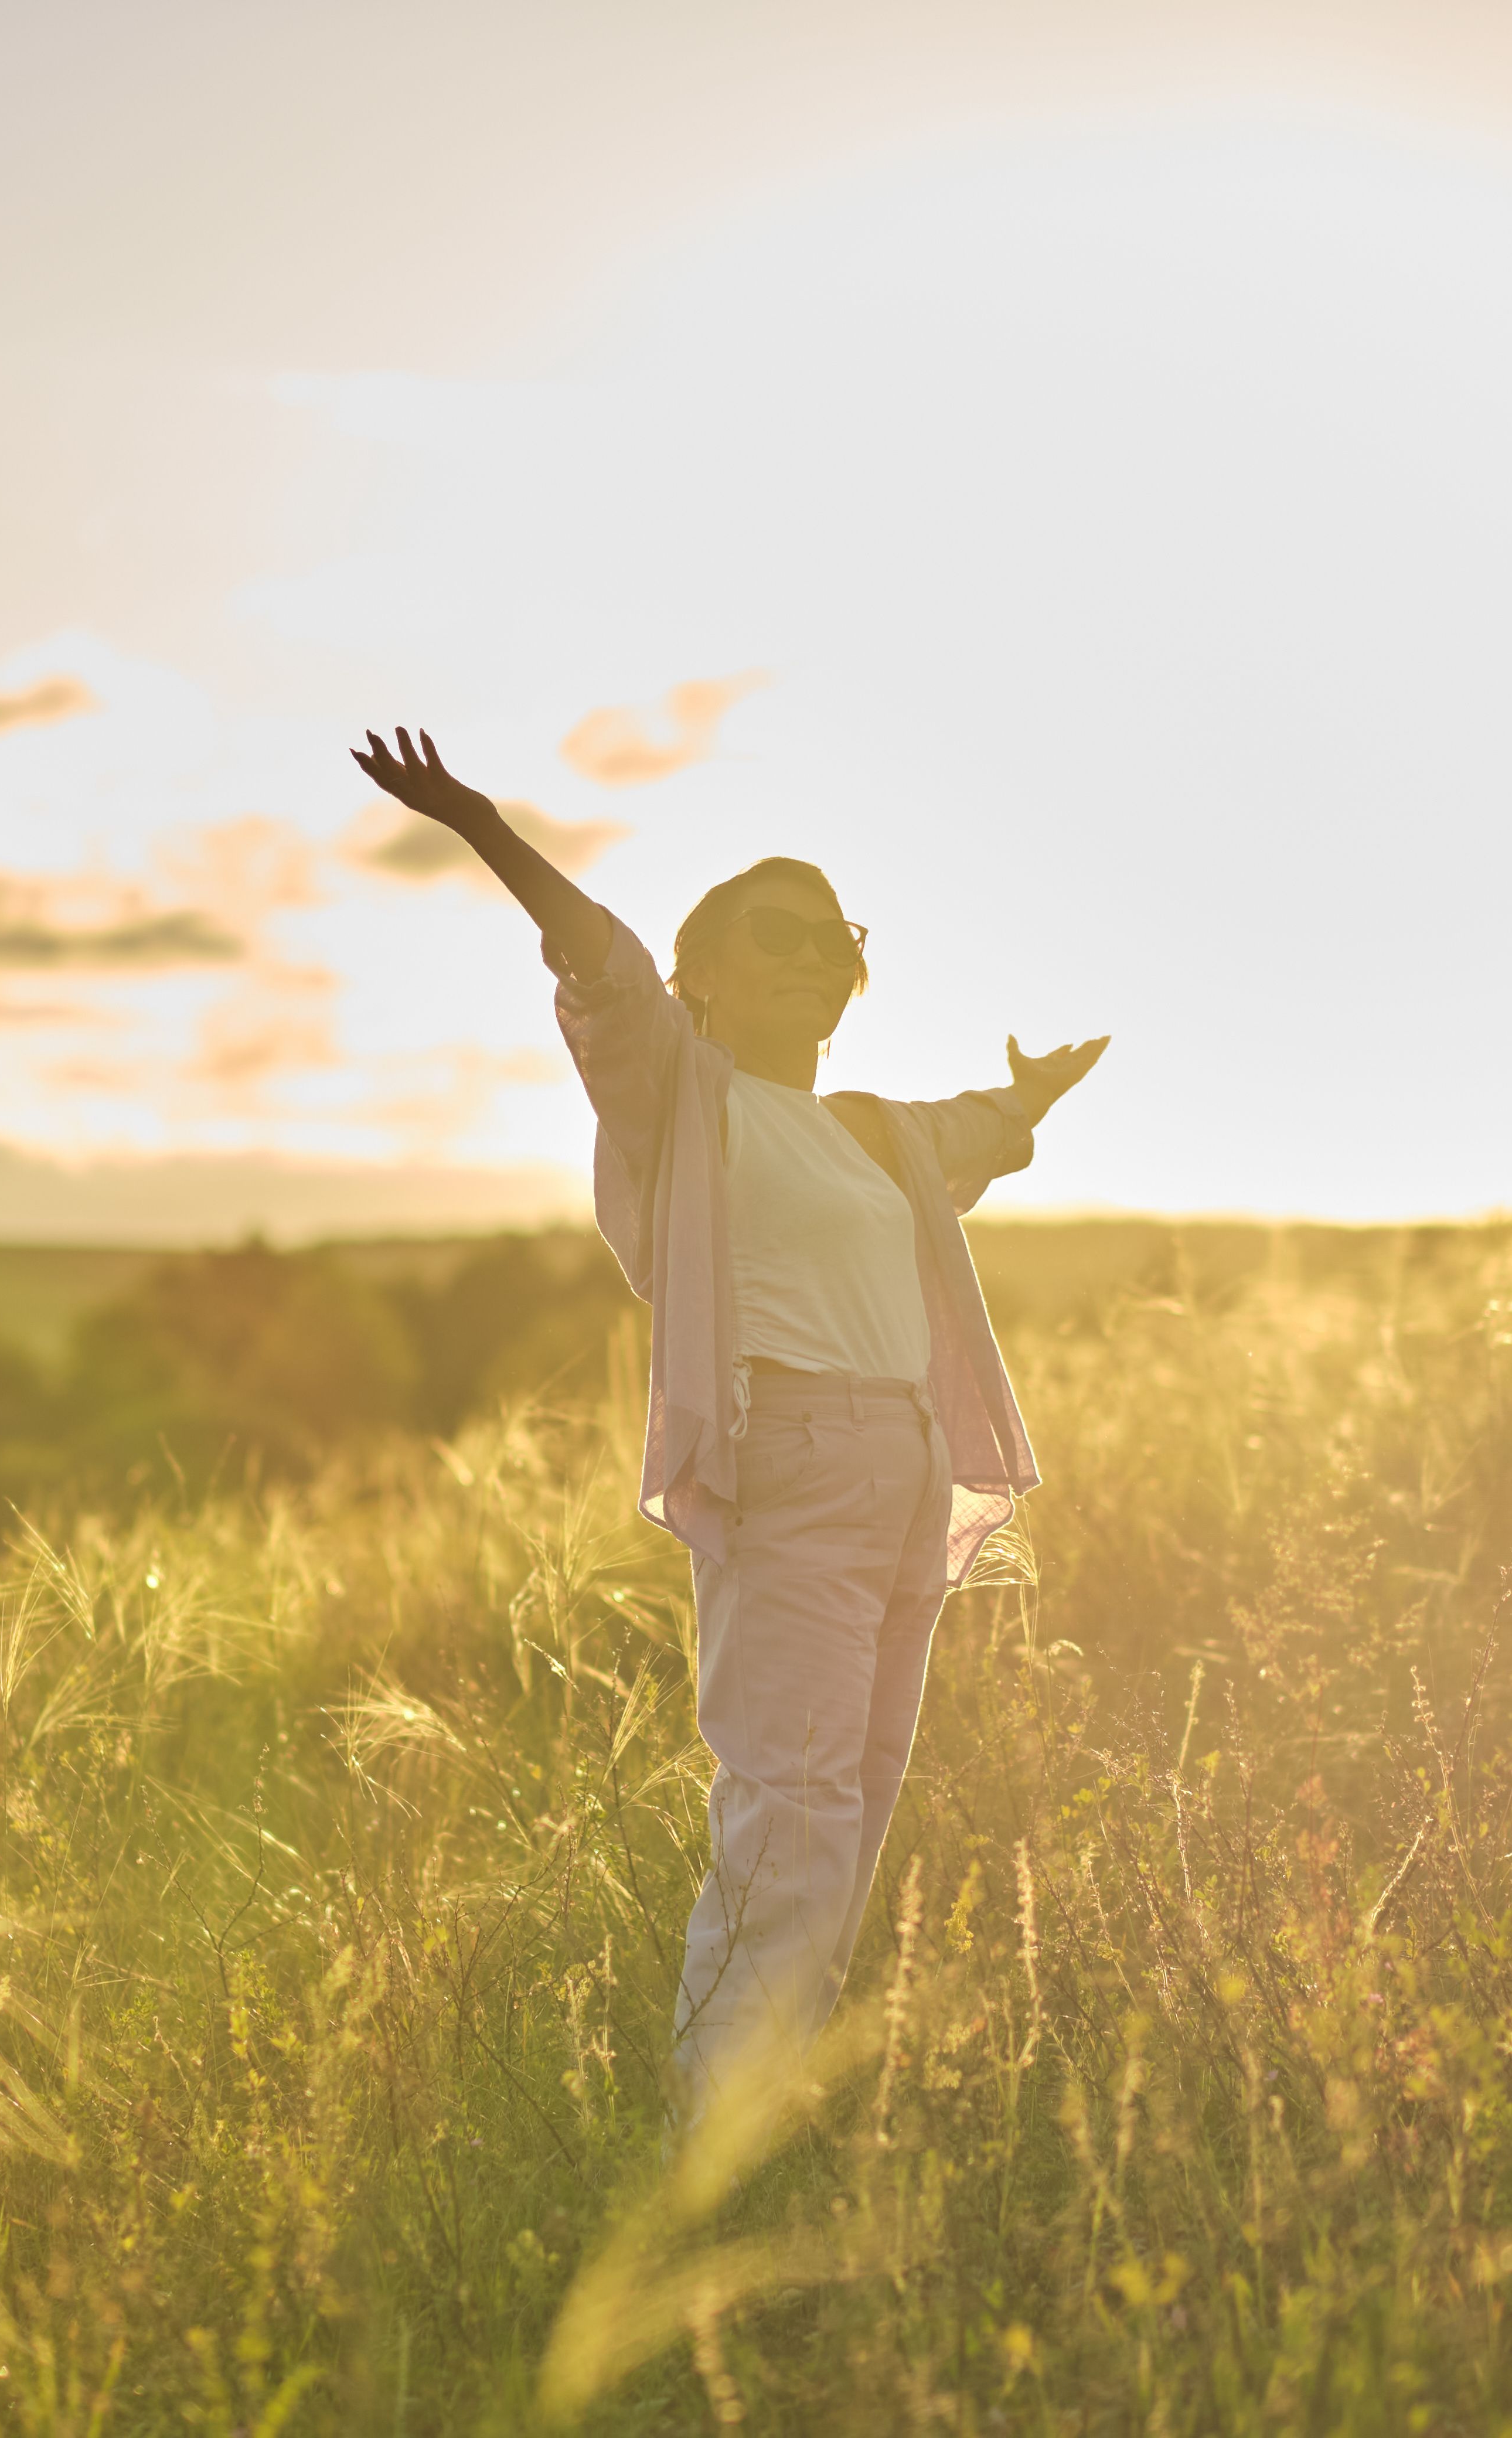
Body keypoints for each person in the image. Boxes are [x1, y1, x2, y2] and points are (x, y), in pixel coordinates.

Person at [352, 726, 1109, 2123]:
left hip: (905, 1471)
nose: (818, 957)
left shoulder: (876, 1132)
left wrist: (1032, 1095)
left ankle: (775, 2103)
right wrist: (476, 823)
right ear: (704, 973)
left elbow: (974, 1132)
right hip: (794, 1461)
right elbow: (604, 965)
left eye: (837, 939)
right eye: (781, 933)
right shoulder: (678, 1093)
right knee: (792, 1802)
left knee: (857, 1805)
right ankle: (717, 2126)